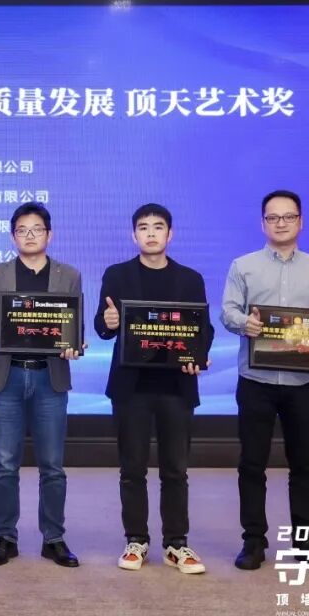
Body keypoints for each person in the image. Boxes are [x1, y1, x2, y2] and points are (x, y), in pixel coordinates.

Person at [221, 190, 309, 572]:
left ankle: (305, 543)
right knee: (251, 464)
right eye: (273, 217)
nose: (281, 223)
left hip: (302, 383)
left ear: (301, 221)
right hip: (255, 379)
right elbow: (227, 312)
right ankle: (253, 541)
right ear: (263, 224)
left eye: (288, 216)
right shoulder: (243, 266)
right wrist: (245, 323)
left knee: (304, 465)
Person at [94, 203, 214, 574]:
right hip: (131, 387)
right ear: (134, 235)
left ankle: (177, 543)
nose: (150, 233)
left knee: (175, 469)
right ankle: (137, 540)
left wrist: (200, 356)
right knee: (132, 468)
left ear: (169, 234)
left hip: (177, 386)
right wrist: (108, 321)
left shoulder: (190, 278)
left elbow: (203, 329)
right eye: (143, 227)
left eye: (158, 227)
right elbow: (102, 326)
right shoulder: (117, 275)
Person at [0, 202, 84, 568]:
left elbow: (74, 327)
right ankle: (5, 537)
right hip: (7, 376)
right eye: (22, 230)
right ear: (13, 236)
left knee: (52, 465)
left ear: (50, 234)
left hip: (50, 376)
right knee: (5, 464)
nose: (29, 235)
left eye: (36, 229)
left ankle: (54, 538)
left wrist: (75, 345)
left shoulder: (69, 275)